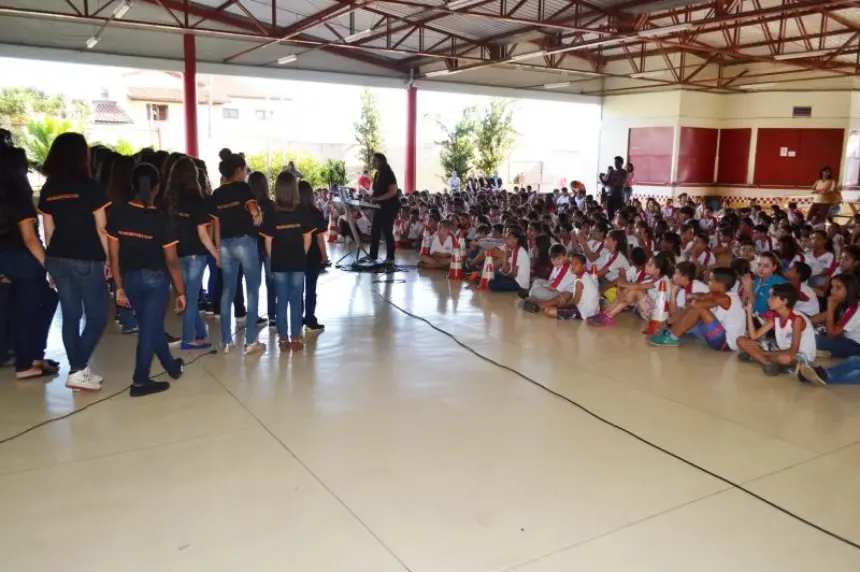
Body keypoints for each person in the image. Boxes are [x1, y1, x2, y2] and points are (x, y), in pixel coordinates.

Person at [106, 163, 185, 397]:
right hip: (155, 281)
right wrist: (181, 292)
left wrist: (118, 287)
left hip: (130, 280)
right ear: (156, 188)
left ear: (132, 184)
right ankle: (140, 381)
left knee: (151, 327)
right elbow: (171, 261)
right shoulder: (161, 219)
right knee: (149, 330)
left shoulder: (118, 213)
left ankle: (171, 367)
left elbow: (114, 255)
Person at [38, 133, 110, 390]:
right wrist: (111, 260)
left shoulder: (49, 189)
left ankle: (79, 371)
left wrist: (50, 264)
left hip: (58, 257)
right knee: (97, 317)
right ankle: (78, 369)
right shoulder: (91, 187)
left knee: (70, 316)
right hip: (87, 259)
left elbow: (48, 232)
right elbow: (102, 229)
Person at [0, 141, 58, 380]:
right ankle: (27, 363)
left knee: (22, 308)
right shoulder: (19, 198)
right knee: (34, 307)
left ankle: (32, 356)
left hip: (4, 261)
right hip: (23, 262)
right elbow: (30, 240)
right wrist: (50, 267)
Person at [210, 149, 265, 355]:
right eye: (245, 169)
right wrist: (256, 213)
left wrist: (217, 247)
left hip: (224, 244)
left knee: (227, 291)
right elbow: (251, 204)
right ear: (239, 170)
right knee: (252, 289)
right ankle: (251, 340)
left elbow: (215, 223)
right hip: (245, 242)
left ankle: (225, 341)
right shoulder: (244, 188)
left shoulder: (217, 193)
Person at [165, 157, 219, 350]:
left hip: (178, 254)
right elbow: (203, 234)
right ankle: (188, 338)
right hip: (196, 255)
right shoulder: (198, 200)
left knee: (187, 294)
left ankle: (200, 333)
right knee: (191, 296)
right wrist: (216, 254)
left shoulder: (170, 201)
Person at [260, 172, 315, 351]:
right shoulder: (302, 211)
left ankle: (283, 338)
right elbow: (308, 238)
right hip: (298, 261)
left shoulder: (271, 213)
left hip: (279, 263)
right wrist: (302, 254)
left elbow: (267, 241)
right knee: (295, 299)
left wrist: (273, 257)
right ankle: (296, 338)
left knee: (281, 299)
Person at [648, 266, 746, 352]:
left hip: (726, 343)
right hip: (719, 334)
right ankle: (670, 330)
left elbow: (699, 302)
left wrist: (694, 299)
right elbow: (702, 296)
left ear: (720, 284)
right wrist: (694, 298)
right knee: (694, 306)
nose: (708, 282)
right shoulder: (722, 294)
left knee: (699, 309)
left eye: (711, 280)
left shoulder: (727, 298)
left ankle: (672, 337)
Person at [736, 283, 816, 376]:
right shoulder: (775, 316)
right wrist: (749, 311)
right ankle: (769, 364)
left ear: (784, 301)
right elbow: (753, 336)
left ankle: (757, 357)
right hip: (781, 349)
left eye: (772, 297)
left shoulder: (797, 319)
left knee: (784, 358)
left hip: (799, 355)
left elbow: (793, 350)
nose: (767, 300)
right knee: (741, 340)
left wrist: (763, 352)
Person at [298, 180, 328, 332]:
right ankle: (310, 318)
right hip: (313, 255)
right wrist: (324, 255)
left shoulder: (292, 212)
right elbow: (319, 238)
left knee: (297, 289)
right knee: (311, 289)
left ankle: (296, 319)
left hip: (295, 255)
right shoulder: (315, 213)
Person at [248, 171, 277, 327]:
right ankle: (273, 315)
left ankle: (252, 315)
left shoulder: (248, 205)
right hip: (267, 246)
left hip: (251, 246)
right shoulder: (271, 205)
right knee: (271, 280)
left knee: (253, 282)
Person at [810, 273, 860, 358]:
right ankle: (830, 352)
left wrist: (830, 308)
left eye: (838, 287)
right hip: (842, 337)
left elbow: (831, 334)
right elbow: (822, 316)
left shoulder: (855, 308)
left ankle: (831, 352)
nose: (832, 291)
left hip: (855, 346)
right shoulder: (842, 300)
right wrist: (803, 321)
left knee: (812, 338)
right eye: (832, 287)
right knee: (809, 327)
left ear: (849, 289)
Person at [522, 244, 573, 310]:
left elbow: (554, 287)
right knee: (537, 281)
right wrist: (546, 285)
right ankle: (532, 296)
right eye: (553, 259)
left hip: (560, 292)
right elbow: (550, 279)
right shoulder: (559, 264)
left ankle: (533, 298)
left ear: (565, 256)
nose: (556, 262)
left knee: (535, 290)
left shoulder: (566, 268)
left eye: (559, 258)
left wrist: (544, 286)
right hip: (554, 286)